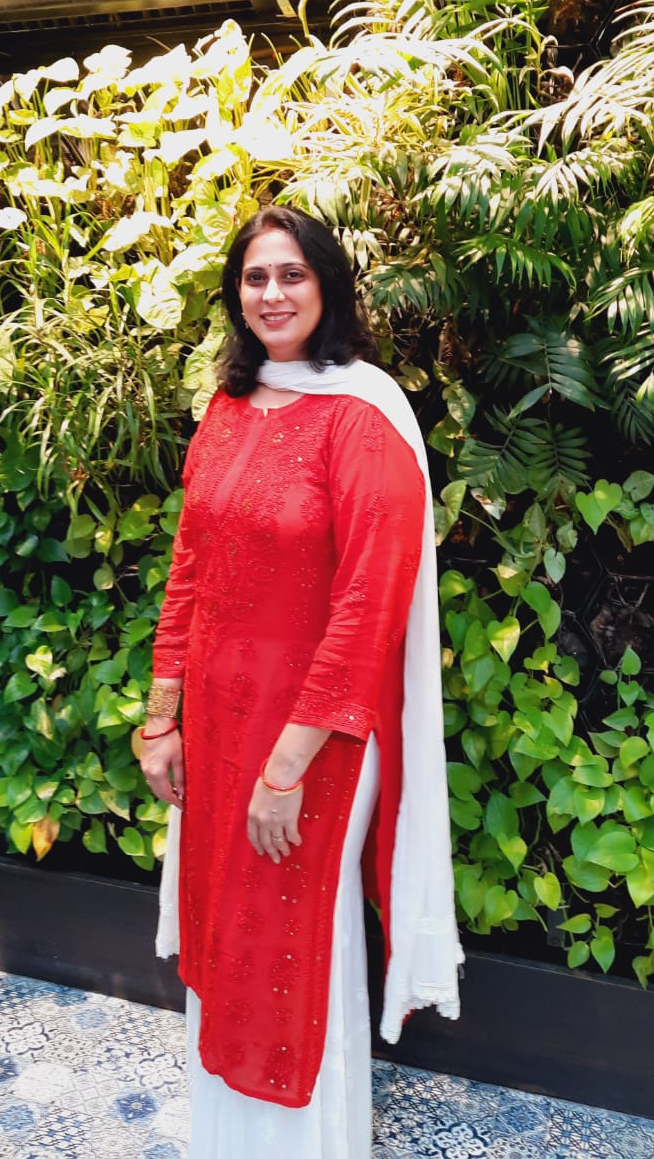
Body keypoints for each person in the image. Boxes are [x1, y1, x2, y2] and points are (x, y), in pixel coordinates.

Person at [138, 205, 461, 1159]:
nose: (271, 295)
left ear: (327, 287)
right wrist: (162, 718)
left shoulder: (364, 416)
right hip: (222, 723)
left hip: (316, 738)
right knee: (228, 935)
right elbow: (189, 567)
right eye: (254, 278)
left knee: (293, 938)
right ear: (234, 296)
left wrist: (287, 765)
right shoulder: (229, 408)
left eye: (290, 276)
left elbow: (369, 606)